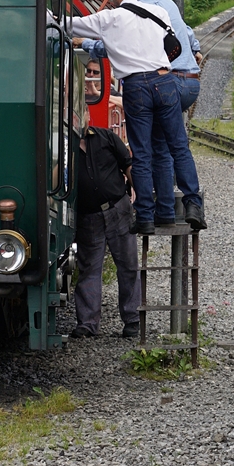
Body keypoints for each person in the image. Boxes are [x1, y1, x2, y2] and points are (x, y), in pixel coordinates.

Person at [67, 0, 206, 235]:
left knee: (142, 153)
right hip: (166, 82)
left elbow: (70, 24)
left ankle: (144, 217)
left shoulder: (110, 18)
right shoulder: (160, 12)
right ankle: (193, 206)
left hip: (136, 87)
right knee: (179, 147)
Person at [71, 107, 141, 340]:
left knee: (128, 265)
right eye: (72, 115)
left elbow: (127, 164)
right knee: (89, 269)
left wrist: (140, 198)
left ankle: (132, 320)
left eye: (81, 114)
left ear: (88, 117)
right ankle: (88, 324)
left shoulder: (106, 137)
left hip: (117, 209)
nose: (78, 119)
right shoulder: (64, 148)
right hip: (87, 216)